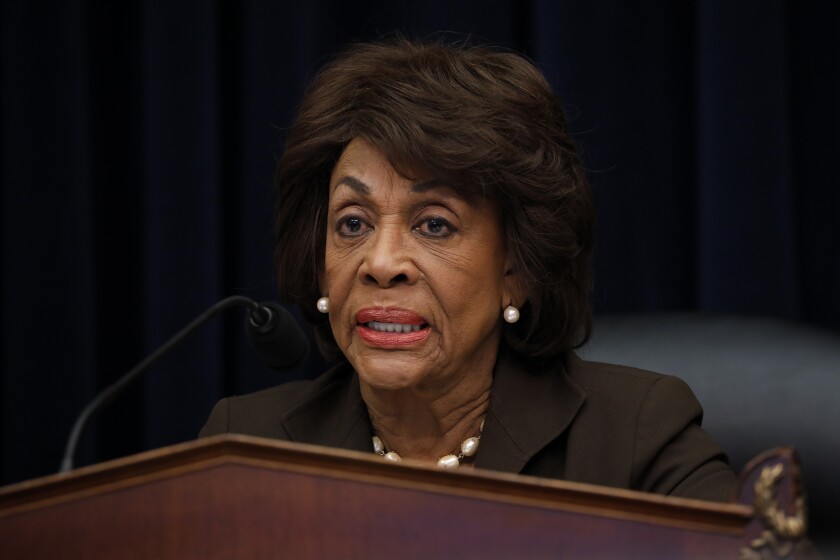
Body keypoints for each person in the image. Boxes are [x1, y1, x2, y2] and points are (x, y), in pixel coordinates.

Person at [200, 38, 735, 501]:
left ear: (517, 270)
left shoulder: (634, 436)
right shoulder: (247, 446)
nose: (381, 263)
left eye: (434, 225)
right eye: (353, 224)